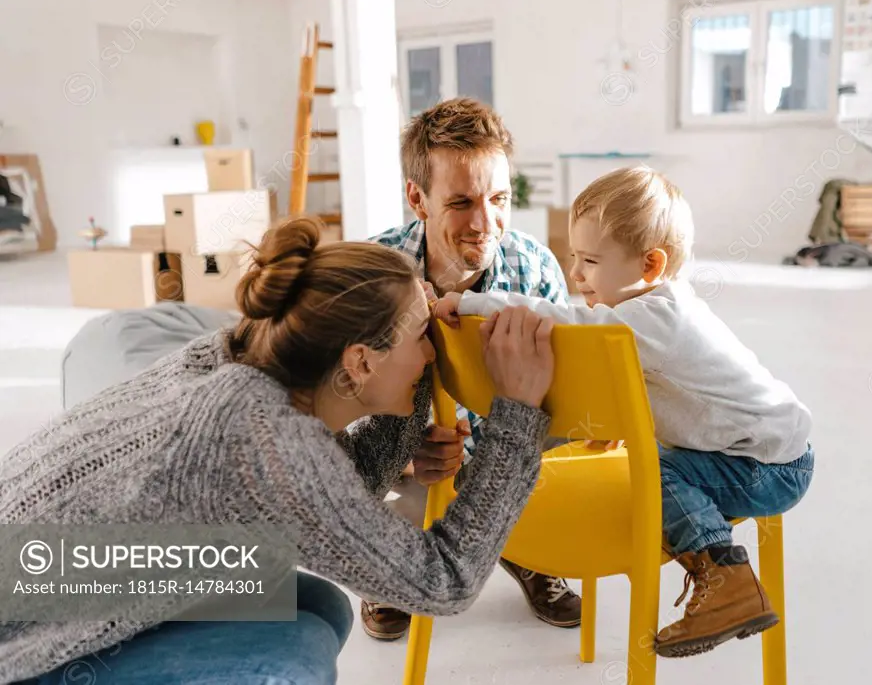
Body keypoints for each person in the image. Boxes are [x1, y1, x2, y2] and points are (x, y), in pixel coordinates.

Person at [0, 218, 557, 685]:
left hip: (56, 574)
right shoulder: (259, 436)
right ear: (360, 362)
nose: (433, 355)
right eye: (422, 340)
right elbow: (445, 581)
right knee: (287, 661)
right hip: (22, 644)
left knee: (316, 606)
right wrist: (516, 412)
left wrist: (408, 408)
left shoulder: (236, 358)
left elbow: (327, 495)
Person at [433, 166, 815, 658]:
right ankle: (722, 573)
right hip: (743, 450)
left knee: (656, 472)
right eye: (574, 258)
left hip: (770, 467)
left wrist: (473, 303)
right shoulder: (640, 316)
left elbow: (565, 322)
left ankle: (726, 576)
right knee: (652, 459)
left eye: (589, 260)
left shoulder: (656, 316)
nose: (575, 275)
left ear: (650, 267)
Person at [366, 97, 581, 639]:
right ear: (417, 198)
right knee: (368, 475)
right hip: (419, 469)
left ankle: (530, 552)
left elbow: (567, 394)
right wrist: (400, 447)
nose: (486, 224)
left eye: (499, 198)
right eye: (461, 201)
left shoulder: (535, 268)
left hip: (514, 455)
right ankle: (385, 577)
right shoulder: (372, 273)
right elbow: (335, 396)